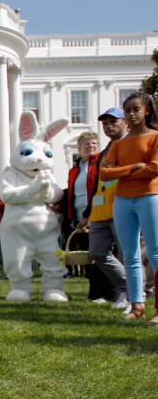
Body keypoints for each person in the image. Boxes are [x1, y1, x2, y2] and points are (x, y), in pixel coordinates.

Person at [100, 92, 158, 323]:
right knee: (130, 256)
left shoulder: (155, 138)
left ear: (147, 111)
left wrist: (122, 172)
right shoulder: (118, 145)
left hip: (150, 197)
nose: (131, 114)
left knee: (155, 254)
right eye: (127, 110)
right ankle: (136, 306)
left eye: (136, 109)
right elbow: (105, 174)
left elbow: (154, 169)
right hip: (123, 201)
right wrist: (132, 168)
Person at [77, 108, 130, 311]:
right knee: (97, 252)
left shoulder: (130, 145)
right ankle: (127, 288)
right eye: (105, 123)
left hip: (123, 206)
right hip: (100, 211)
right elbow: (97, 185)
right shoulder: (104, 153)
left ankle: (129, 295)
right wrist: (87, 215)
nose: (108, 126)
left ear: (124, 122)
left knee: (127, 254)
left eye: (113, 122)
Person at [64, 131, 116, 303]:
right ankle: (94, 292)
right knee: (87, 257)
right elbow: (72, 193)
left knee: (100, 255)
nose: (91, 146)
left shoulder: (100, 165)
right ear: (79, 148)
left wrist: (91, 214)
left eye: (94, 143)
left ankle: (107, 292)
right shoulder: (74, 170)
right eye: (87, 144)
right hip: (79, 219)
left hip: (98, 216)